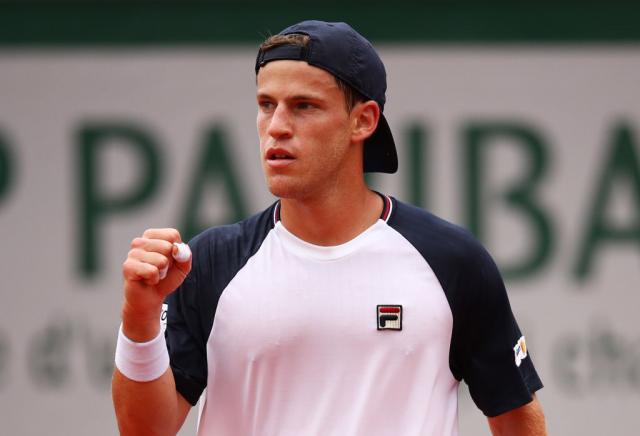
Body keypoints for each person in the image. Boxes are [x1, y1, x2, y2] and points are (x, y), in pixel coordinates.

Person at [112, 20, 546, 436]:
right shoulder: (209, 262)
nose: (276, 127)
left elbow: (516, 420)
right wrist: (139, 316)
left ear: (364, 120)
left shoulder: (453, 261)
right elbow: (144, 430)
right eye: (266, 105)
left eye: (304, 106)